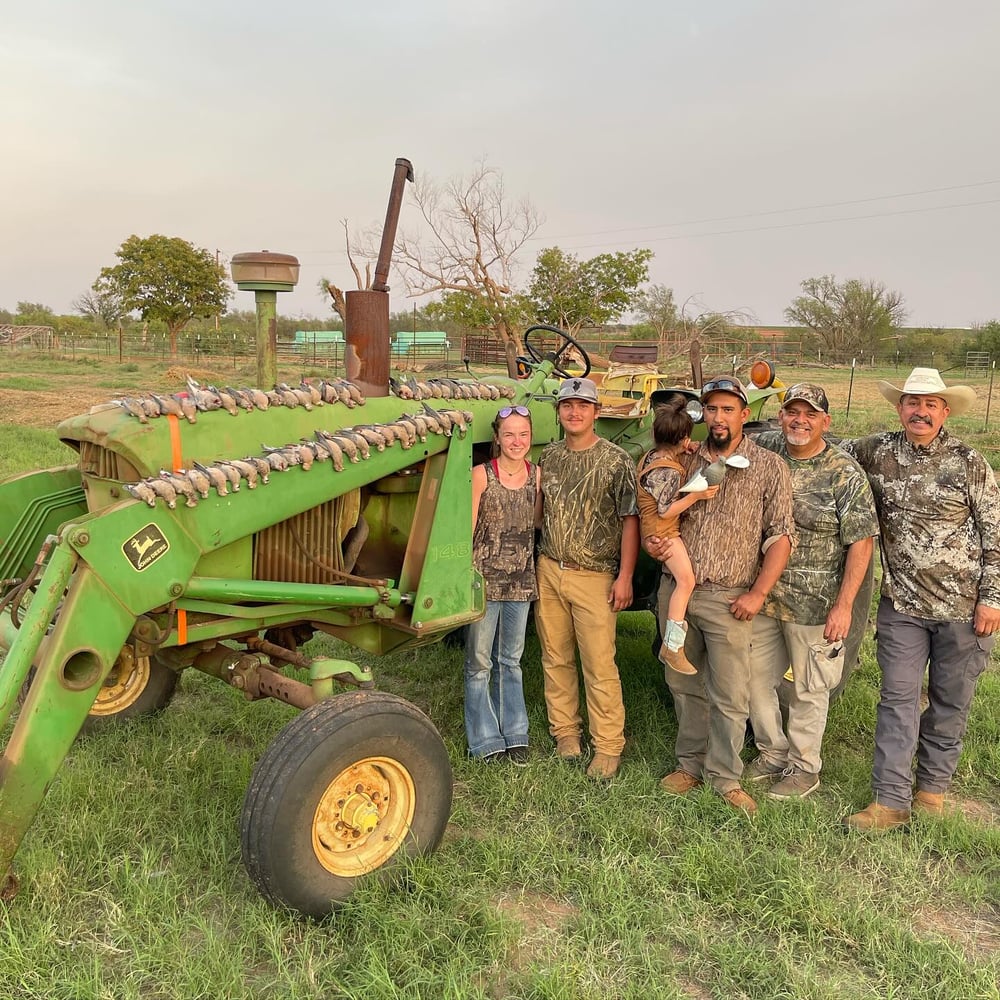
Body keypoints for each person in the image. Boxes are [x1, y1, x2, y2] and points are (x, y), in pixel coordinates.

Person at [841, 367, 1000, 831]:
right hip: (903, 608)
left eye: (931, 404)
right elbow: (817, 450)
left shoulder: (970, 462)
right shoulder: (874, 452)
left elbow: (996, 536)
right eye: (913, 402)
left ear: (945, 412)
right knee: (898, 700)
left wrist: (991, 599)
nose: (920, 411)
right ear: (900, 408)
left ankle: (931, 790)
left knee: (950, 702)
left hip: (965, 613)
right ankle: (890, 801)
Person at [647, 375, 795, 814]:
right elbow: (659, 514)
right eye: (711, 409)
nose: (718, 417)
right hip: (678, 592)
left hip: (731, 595)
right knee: (684, 683)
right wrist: (657, 543)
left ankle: (725, 776)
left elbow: (781, 535)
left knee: (730, 693)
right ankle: (689, 765)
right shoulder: (684, 460)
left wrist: (758, 592)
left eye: (728, 409)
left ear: (744, 415)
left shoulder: (769, 466)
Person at [745, 383, 878, 799]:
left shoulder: (843, 472)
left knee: (809, 688)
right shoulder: (767, 451)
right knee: (751, 678)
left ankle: (804, 767)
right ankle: (771, 752)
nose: (799, 421)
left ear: (825, 421)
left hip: (816, 604)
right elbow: (730, 436)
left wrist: (845, 606)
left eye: (809, 414)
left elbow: (861, 543)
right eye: (792, 412)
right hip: (766, 597)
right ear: (781, 416)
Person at [535, 377, 640, 781]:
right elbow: (539, 510)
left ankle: (609, 745)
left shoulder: (615, 460)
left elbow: (629, 520)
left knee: (599, 663)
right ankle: (565, 733)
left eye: (582, 405)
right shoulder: (551, 456)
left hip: (595, 575)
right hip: (550, 569)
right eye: (567, 405)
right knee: (555, 657)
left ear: (597, 412)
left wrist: (625, 576)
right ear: (558, 412)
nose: (574, 412)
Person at [465, 404, 541, 765]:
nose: (516, 440)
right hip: (484, 579)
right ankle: (484, 738)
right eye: (509, 433)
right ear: (497, 437)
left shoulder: (537, 476)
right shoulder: (481, 475)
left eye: (523, 434)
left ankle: (515, 732)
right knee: (479, 661)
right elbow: (467, 528)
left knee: (511, 660)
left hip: (521, 583)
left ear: (531, 438)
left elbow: (538, 524)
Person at [636, 395, 719, 674]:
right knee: (686, 581)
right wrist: (698, 496)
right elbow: (665, 510)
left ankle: (672, 644)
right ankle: (672, 646)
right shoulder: (668, 472)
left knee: (684, 581)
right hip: (664, 532)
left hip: (652, 529)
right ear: (683, 437)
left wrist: (686, 448)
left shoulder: (652, 455)